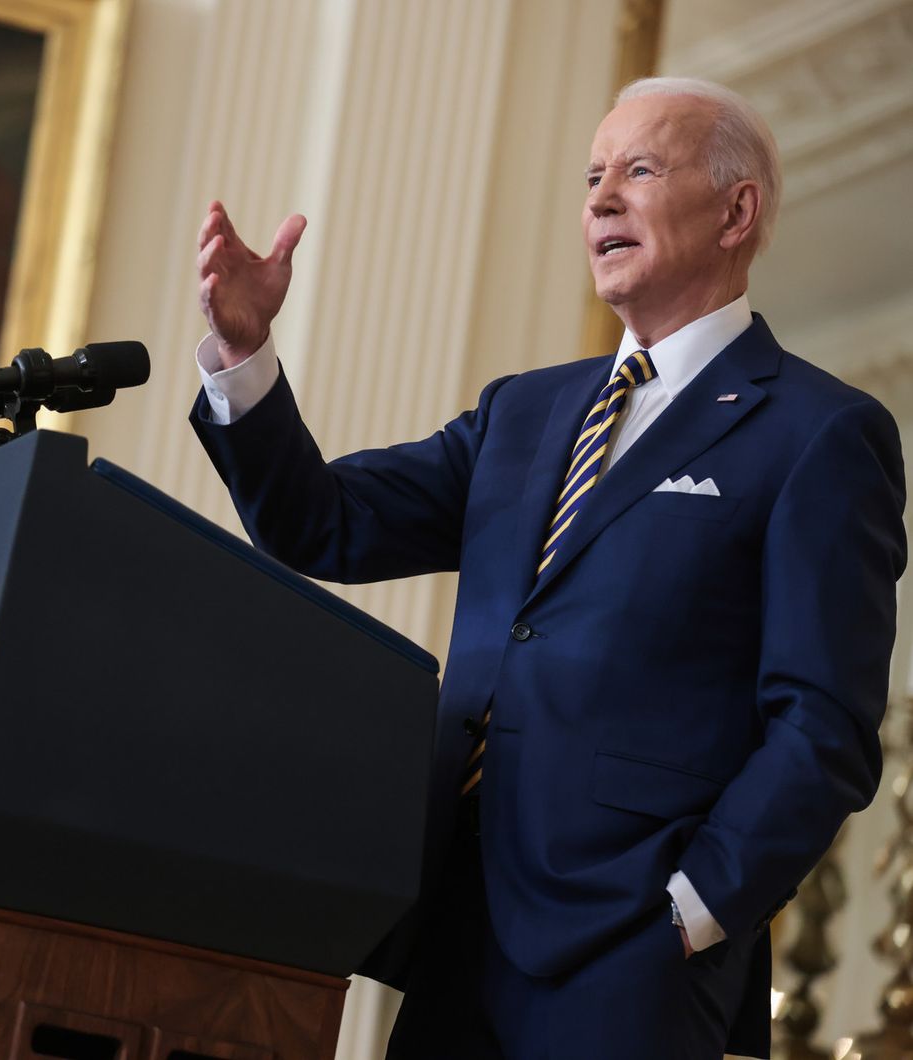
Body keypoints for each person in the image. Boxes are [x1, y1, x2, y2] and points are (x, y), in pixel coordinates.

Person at [189, 77, 906, 1059]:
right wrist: (244, 354)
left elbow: (823, 723)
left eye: (640, 170)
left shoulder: (818, 434)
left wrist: (694, 911)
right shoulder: (522, 413)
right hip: (454, 919)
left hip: (631, 951)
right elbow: (325, 525)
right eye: (591, 178)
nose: (601, 199)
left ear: (737, 211)